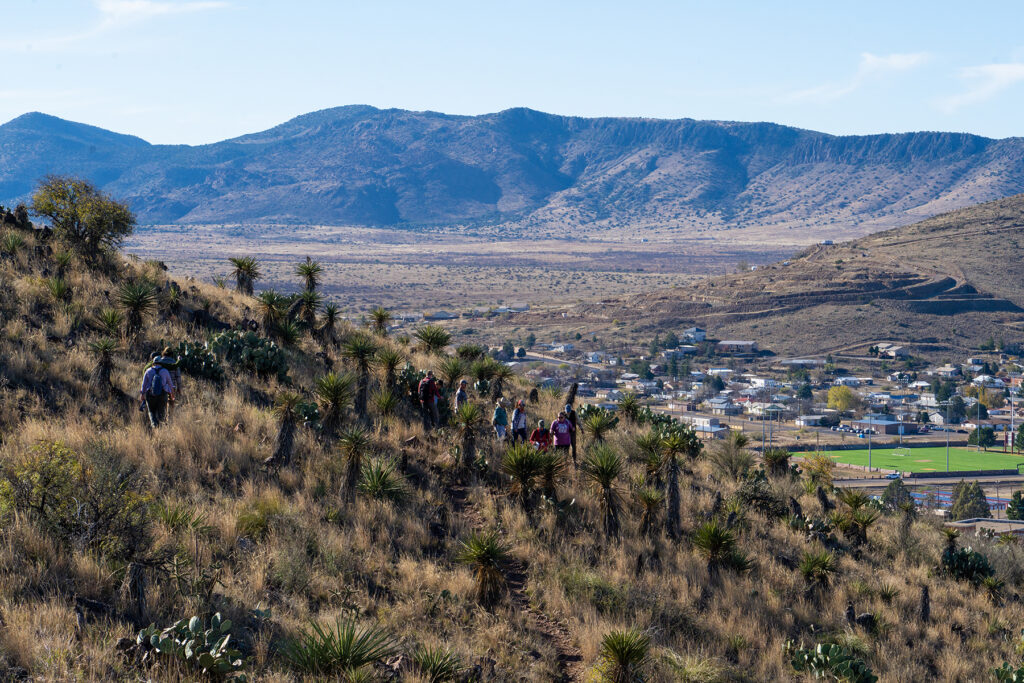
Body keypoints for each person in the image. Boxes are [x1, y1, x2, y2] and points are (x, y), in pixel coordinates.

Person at [140, 352, 176, 428]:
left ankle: (154, 424)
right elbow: (170, 384)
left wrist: (142, 394)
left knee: (151, 411)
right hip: (163, 394)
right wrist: (172, 394)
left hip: (150, 394)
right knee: (162, 413)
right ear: (161, 362)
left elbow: (144, 385)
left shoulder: (148, 371)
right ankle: (161, 428)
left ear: (153, 362)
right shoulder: (165, 371)